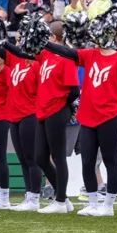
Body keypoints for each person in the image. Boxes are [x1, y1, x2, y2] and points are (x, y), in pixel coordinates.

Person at [44, 33, 117, 216]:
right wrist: (43, 42)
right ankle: (92, 203)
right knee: (88, 162)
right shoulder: (91, 54)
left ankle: (108, 205)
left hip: (109, 117)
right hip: (87, 116)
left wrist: (115, 106)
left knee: (110, 161)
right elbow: (67, 52)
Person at [19, 22, 79, 210]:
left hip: (57, 110)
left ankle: (60, 200)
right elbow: (23, 53)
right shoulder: (45, 55)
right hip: (44, 111)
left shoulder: (66, 58)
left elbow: (74, 90)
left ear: (53, 38)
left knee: (58, 156)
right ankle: (63, 196)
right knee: (40, 157)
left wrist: (62, 104)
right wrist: (1, 42)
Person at [1, 37, 41, 211]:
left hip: (30, 114)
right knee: (23, 160)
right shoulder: (15, 59)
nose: (17, 43)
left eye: (20, 40)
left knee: (32, 159)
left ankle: (35, 197)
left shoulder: (38, 64)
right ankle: (28, 195)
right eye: (16, 40)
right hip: (14, 115)